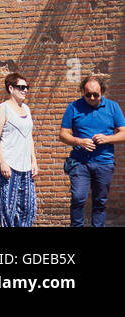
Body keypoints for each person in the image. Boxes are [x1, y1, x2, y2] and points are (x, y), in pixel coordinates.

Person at [58, 74, 125, 227]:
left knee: (100, 202)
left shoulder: (112, 107)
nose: (93, 98)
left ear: (102, 91)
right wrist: (79, 141)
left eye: (96, 95)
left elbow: (123, 132)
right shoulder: (73, 107)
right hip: (80, 162)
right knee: (78, 198)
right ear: (83, 92)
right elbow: (63, 134)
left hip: (104, 163)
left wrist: (107, 138)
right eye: (88, 95)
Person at [0, 71, 36, 227]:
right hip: (8, 164)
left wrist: (34, 162)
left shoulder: (27, 109)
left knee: (28, 208)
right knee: (8, 208)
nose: (25, 90)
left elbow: (29, 137)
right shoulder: (3, 108)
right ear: (11, 88)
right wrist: (2, 162)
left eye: (26, 87)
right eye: (21, 87)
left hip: (25, 167)